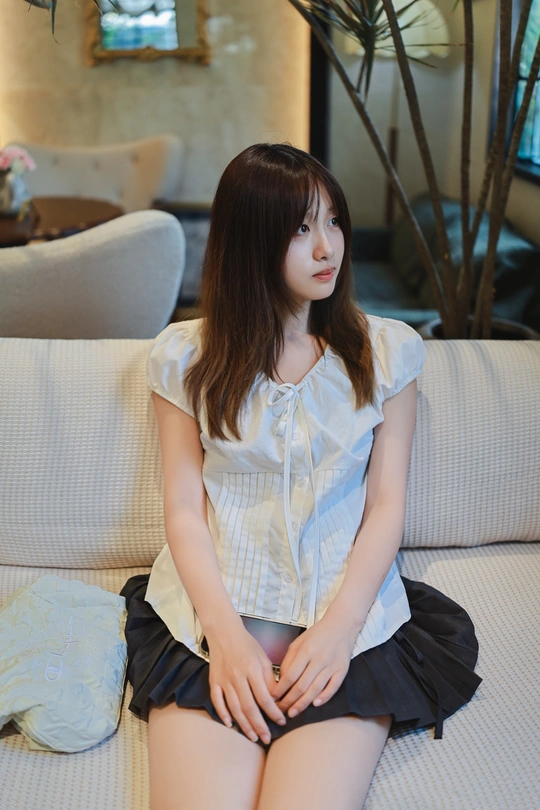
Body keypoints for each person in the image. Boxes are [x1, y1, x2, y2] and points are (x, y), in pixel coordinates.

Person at [120, 142, 482, 810]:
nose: (327, 247)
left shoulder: (385, 353)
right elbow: (183, 510)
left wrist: (339, 630)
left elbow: (386, 505)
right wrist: (225, 637)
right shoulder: (185, 357)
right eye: (301, 228)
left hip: (345, 626)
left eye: (334, 221)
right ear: (250, 239)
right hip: (212, 625)